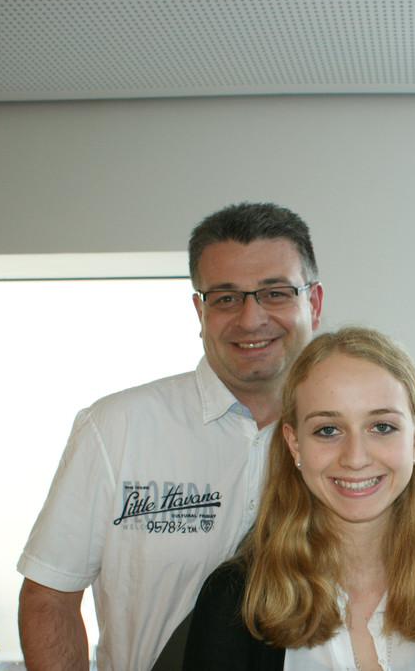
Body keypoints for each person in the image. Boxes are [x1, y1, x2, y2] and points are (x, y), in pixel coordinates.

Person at [17, 202, 324, 670]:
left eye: (275, 293)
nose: (250, 318)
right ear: (199, 310)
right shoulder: (118, 427)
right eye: (225, 298)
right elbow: (49, 598)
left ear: (313, 303)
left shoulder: (359, 444)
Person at [182, 327, 415, 670]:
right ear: (294, 444)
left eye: (382, 427)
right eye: (328, 430)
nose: (355, 458)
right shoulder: (232, 601)